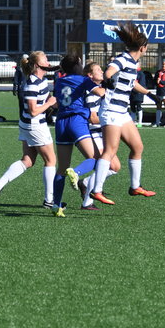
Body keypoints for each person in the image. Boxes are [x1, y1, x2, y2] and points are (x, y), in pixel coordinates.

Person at [90, 22, 156, 206]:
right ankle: (97, 190)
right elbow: (110, 70)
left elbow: (132, 83)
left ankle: (135, 187)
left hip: (122, 111)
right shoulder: (124, 58)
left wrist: (150, 94)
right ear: (143, 48)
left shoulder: (133, 63)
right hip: (111, 110)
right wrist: (108, 79)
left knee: (138, 147)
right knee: (110, 151)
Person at [0, 51, 58, 211]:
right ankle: (49, 200)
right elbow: (34, 111)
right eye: (45, 60)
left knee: (28, 160)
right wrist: (50, 104)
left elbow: (46, 101)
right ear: (37, 65)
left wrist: (56, 103)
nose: (48, 62)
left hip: (28, 125)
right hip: (35, 125)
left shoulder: (42, 80)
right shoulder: (32, 84)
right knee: (51, 161)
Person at [51, 54, 106, 214]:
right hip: (77, 120)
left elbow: (57, 102)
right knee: (97, 159)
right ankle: (77, 172)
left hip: (61, 123)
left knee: (61, 168)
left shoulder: (59, 81)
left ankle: (56, 205)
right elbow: (100, 92)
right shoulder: (83, 80)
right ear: (77, 66)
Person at [79, 62, 121, 209]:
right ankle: (87, 202)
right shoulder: (91, 93)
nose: (102, 71)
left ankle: (85, 183)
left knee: (115, 167)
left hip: (103, 132)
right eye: (98, 70)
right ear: (90, 75)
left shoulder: (101, 89)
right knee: (110, 165)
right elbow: (92, 118)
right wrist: (112, 119)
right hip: (94, 132)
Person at [129, 62, 153, 127]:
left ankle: (140, 122)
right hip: (132, 93)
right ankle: (133, 121)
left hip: (138, 93)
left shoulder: (141, 74)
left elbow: (142, 84)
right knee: (132, 107)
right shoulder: (132, 73)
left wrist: (137, 90)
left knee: (138, 107)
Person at [12, 54, 28, 119]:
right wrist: (15, 87)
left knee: (25, 105)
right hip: (22, 89)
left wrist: (15, 88)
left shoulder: (30, 68)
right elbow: (16, 79)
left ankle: (24, 118)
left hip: (26, 88)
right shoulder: (19, 69)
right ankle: (22, 118)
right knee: (22, 105)